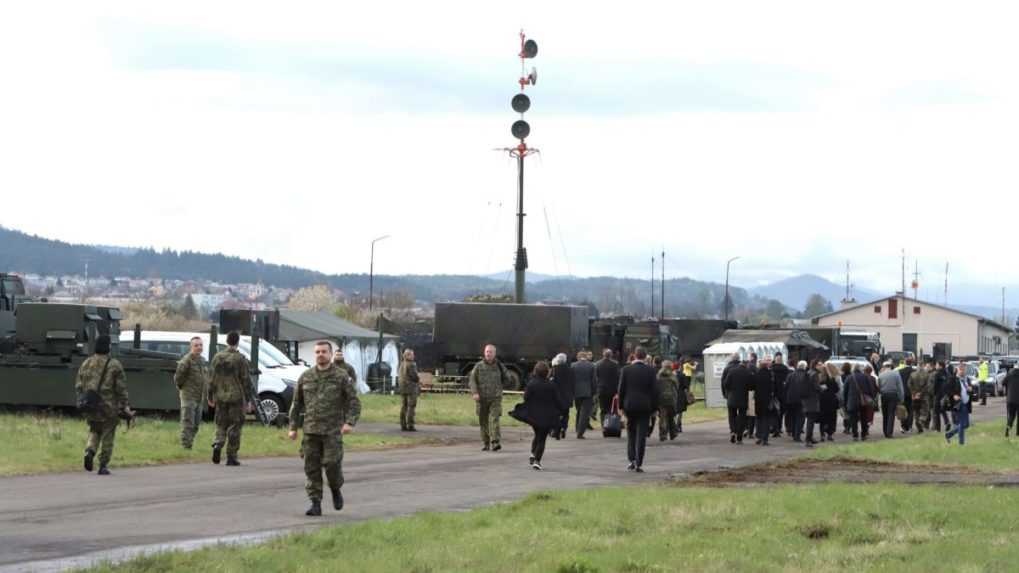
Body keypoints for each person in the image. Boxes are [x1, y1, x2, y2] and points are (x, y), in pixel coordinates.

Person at [288, 340, 361, 516]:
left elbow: (354, 402)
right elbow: (296, 404)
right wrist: (293, 427)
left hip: (332, 431)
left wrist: (350, 422)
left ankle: (335, 489)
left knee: (331, 465)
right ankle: (315, 503)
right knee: (311, 468)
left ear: (330, 354)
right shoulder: (306, 376)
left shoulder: (341, 376)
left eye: (323, 352)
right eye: (317, 352)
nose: (320, 355)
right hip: (311, 431)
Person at [76, 334, 132, 475]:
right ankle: (103, 465)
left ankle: (90, 450)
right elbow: (121, 388)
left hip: (90, 404)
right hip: (109, 407)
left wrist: (83, 399)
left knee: (95, 430)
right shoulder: (114, 365)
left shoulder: (86, 363)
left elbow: (78, 385)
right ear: (108, 347)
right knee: (108, 434)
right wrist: (124, 405)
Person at [208, 331, 252, 466]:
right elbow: (246, 380)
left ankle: (218, 444)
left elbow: (211, 379)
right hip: (236, 398)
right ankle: (231, 456)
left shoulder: (217, 357)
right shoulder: (240, 359)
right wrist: (248, 400)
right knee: (235, 426)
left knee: (221, 423)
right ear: (237, 342)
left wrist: (210, 396)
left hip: (220, 396)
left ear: (227, 341)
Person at [619, 346, 658, 472]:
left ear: (634, 355)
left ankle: (632, 460)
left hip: (629, 405)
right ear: (645, 356)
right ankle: (639, 462)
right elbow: (654, 391)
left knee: (631, 434)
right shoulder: (651, 371)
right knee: (641, 435)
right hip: (645, 406)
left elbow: (621, 390)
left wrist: (620, 407)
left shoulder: (626, 369)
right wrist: (654, 408)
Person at [522, 361, 567, 470]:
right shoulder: (551, 385)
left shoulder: (531, 384)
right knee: (542, 438)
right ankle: (537, 460)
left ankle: (533, 454)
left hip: (533, 415)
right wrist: (562, 411)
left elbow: (525, 398)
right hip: (547, 416)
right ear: (547, 372)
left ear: (535, 371)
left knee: (537, 434)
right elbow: (557, 401)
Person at [468, 344, 507, 452]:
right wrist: (475, 392)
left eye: (490, 352)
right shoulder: (478, 366)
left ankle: (495, 442)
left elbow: (507, 379)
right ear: (484, 353)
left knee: (494, 419)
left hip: (495, 398)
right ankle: (486, 442)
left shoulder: (499, 366)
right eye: (487, 352)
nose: (488, 354)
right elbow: (472, 380)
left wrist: (502, 383)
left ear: (494, 354)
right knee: (483, 421)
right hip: (482, 399)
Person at [173, 336, 209, 450]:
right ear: (191, 347)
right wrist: (183, 389)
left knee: (196, 424)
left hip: (199, 397)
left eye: (200, 345)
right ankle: (186, 447)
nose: (199, 347)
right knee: (188, 423)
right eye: (196, 345)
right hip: (188, 396)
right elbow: (178, 378)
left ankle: (190, 443)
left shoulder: (202, 361)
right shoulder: (186, 361)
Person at [721, 356, 752, 444]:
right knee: (742, 417)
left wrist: (728, 392)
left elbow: (726, 384)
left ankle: (733, 431)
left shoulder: (732, 371)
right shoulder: (747, 373)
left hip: (732, 398)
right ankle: (739, 436)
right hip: (743, 399)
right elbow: (751, 386)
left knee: (732, 415)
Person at [843, 364, 874, 441]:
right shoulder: (865, 377)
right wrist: (870, 398)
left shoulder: (849, 377)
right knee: (864, 418)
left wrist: (845, 402)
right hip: (863, 401)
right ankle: (863, 434)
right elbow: (870, 389)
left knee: (853, 419)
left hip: (852, 401)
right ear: (860, 369)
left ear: (853, 369)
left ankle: (855, 435)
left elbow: (845, 391)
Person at [571, 351, 596, 439]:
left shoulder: (573, 365)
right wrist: (593, 392)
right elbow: (594, 381)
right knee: (584, 413)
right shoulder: (591, 365)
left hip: (576, 392)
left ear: (578, 357)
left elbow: (571, 379)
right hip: (587, 392)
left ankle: (577, 428)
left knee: (578, 411)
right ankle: (580, 433)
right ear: (585, 357)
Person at [785, 361, 811, 442]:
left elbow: (786, 386)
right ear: (805, 367)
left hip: (790, 399)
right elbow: (808, 388)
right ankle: (797, 435)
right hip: (801, 400)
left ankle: (793, 432)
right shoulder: (806, 375)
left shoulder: (790, 375)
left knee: (792, 416)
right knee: (800, 418)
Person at [550, 353, 575, 439]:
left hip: (557, 396)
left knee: (556, 414)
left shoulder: (554, 369)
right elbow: (573, 383)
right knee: (565, 414)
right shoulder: (570, 370)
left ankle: (555, 430)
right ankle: (564, 428)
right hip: (567, 396)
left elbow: (551, 381)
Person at [752, 358, 776, 446]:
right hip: (767, 399)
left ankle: (759, 436)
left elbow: (752, 386)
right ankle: (765, 439)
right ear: (767, 366)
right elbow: (772, 387)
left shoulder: (756, 374)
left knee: (759, 418)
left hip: (758, 399)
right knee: (766, 419)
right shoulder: (770, 374)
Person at [878, 361, 904, 439]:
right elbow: (900, 387)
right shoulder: (896, 374)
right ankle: (889, 432)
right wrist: (901, 398)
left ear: (884, 366)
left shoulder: (881, 375)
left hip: (884, 395)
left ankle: (885, 431)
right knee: (891, 414)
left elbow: (878, 386)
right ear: (891, 366)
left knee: (885, 414)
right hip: (893, 395)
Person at [945, 368, 972, 445]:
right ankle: (961, 442)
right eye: (961, 370)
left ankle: (949, 434)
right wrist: (953, 395)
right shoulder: (953, 379)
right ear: (957, 371)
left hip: (966, 403)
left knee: (966, 424)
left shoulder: (967, 379)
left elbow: (970, 389)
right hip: (958, 403)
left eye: (964, 370)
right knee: (962, 422)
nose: (963, 371)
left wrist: (970, 389)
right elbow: (947, 389)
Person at [595, 349, 621, 427]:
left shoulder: (598, 364)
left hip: (601, 389)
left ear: (603, 355)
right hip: (612, 390)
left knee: (603, 408)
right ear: (611, 355)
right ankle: (610, 424)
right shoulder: (615, 364)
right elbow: (618, 377)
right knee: (611, 408)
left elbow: (596, 377)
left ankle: (604, 425)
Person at [656, 360, 679, 441]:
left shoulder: (658, 375)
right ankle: (673, 433)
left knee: (663, 417)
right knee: (671, 416)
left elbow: (656, 387)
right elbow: (677, 386)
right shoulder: (672, 375)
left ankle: (663, 435)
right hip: (671, 398)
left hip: (661, 399)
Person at [909, 360, 934, 433]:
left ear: (917, 365)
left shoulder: (912, 374)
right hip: (924, 396)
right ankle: (921, 420)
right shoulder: (927, 374)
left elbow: (909, 385)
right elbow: (928, 386)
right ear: (923, 365)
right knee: (925, 410)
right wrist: (921, 393)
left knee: (916, 411)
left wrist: (914, 393)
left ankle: (918, 425)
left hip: (915, 396)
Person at [398, 349, 420, 431]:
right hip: (411, 388)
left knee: (404, 406)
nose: (413, 356)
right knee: (411, 406)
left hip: (402, 388)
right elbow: (414, 376)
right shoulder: (411, 365)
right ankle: (410, 425)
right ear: (408, 356)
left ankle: (403, 425)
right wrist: (418, 380)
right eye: (412, 354)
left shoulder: (402, 364)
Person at [819, 362, 841, 442]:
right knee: (831, 418)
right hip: (831, 401)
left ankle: (822, 434)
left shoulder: (820, 379)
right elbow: (837, 389)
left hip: (822, 401)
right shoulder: (832, 379)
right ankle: (830, 434)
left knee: (823, 418)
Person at [772, 353, 791, 438]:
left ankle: (775, 428)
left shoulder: (771, 369)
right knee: (782, 412)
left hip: (774, 393)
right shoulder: (785, 369)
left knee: (775, 412)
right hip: (783, 393)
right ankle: (779, 427)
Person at [897, 358, 916, 432]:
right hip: (911, 393)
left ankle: (903, 426)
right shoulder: (914, 372)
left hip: (902, 393)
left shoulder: (900, 371)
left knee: (902, 410)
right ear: (912, 363)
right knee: (910, 410)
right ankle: (910, 426)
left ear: (905, 362)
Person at [932, 361, 951, 432]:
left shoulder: (937, 373)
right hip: (945, 394)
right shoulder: (947, 373)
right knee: (942, 409)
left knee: (936, 411)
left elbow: (935, 385)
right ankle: (947, 422)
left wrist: (934, 393)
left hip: (938, 394)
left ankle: (938, 428)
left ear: (940, 366)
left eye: (936, 365)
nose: (935, 366)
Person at [675, 364, 692, 433]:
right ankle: (679, 425)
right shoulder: (682, 375)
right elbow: (686, 386)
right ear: (679, 367)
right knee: (680, 411)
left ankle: (675, 425)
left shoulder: (671, 375)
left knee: (674, 411)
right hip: (681, 394)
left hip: (673, 394)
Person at [1005, 365, 1019, 437]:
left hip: (1010, 399)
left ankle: (1007, 430)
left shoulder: (1009, 374)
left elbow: (1003, 382)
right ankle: (1017, 433)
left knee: (1011, 416)